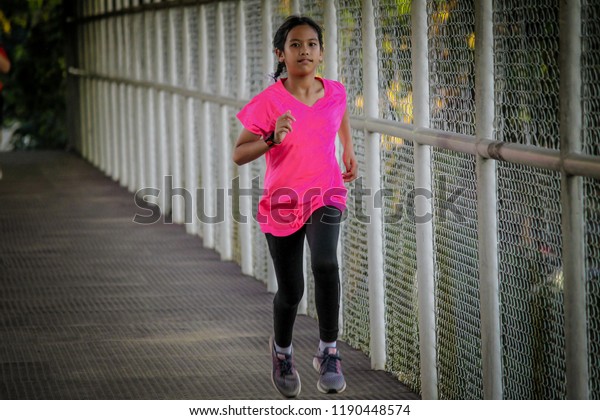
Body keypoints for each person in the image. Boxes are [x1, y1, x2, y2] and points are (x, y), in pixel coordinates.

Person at [233, 16, 358, 398]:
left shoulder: (335, 91)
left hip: (326, 193)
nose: (304, 50)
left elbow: (339, 115)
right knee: (292, 290)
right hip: (283, 201)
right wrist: (271, 139)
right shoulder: (269, 102)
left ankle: (328, 352)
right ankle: (283, 352)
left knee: (325, 263)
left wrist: (348, 148)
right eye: (295, 45)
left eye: (311, 44)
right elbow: (239, 154)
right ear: (280, 54)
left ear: (320, 53)